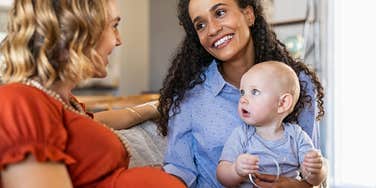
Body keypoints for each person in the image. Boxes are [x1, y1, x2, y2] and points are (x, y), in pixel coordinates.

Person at [0, 0, 184, 187]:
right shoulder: (20, 102)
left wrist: (155, 107)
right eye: (114, 26)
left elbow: (99, 120)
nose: (119, 40)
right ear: (78, 31)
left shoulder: (60, 103)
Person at [156, 0, 327, 187]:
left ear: (248, 15)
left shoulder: (297, 83)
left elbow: (314, 172)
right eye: (201, 25)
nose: (212, 30)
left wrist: (297, 185)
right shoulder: (187, 96)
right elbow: (180, 170)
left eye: (220, 12)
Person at [216, 61, 325, 187]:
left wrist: (315, 170)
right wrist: (235, 170)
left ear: (282, 103)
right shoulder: (242, 135)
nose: (243, 99)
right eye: (242, 92)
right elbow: (221, 175)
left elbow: (315, 181)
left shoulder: (297, 136)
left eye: (255, 92)